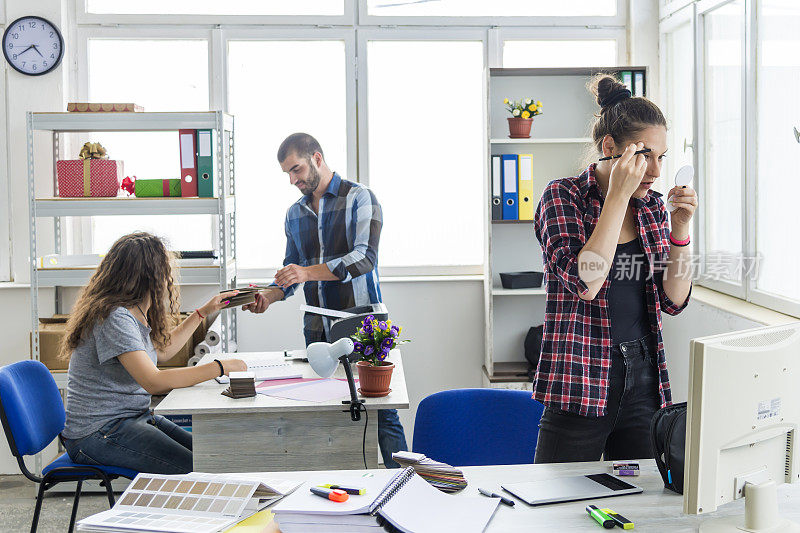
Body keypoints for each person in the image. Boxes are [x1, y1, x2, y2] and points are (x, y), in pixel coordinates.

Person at [532, 75, 696, 463]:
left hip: (643, 375)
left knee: (642, 507)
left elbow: (673, 302)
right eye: (645, 155)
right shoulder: (563, 196)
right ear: (611, 148)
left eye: (662, 157)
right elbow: (585, 281)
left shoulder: (654, 207)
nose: (655, 171)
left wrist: (681, 230)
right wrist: (619, 195)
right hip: (580, 374)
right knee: (557, 507)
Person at [243, 132, 409, 467]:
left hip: (363, 324)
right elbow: (292, 277)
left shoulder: (361, 198)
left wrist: (306, 272)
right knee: (327, 412)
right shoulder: (294, 215)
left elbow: (364, 259)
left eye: (297, 169)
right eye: (287, 174)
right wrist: (268, 297)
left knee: (381, 413)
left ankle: (404, 486)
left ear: (317, 158)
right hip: (317, 330)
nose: (292, 180)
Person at [60, 232, 246, 474]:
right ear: (151, 275)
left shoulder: (133, 310)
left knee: (210, 457)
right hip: (98, 433)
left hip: (131, 418)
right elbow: (153, 382)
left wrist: (202, 312)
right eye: (165, 270)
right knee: (197, 468)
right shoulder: (114, 317)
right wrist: (219, 367)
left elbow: (161, 352)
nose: (168, 277)